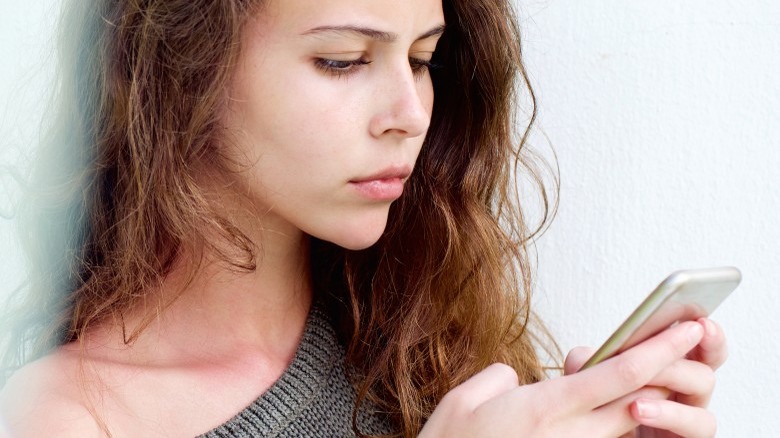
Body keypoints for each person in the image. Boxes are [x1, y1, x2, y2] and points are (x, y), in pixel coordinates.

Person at [0, 0, 727, 436]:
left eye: (421, 59)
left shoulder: (430, 350)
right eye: (344, 61)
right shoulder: (69, 416)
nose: (409, 116)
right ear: (181, 68)